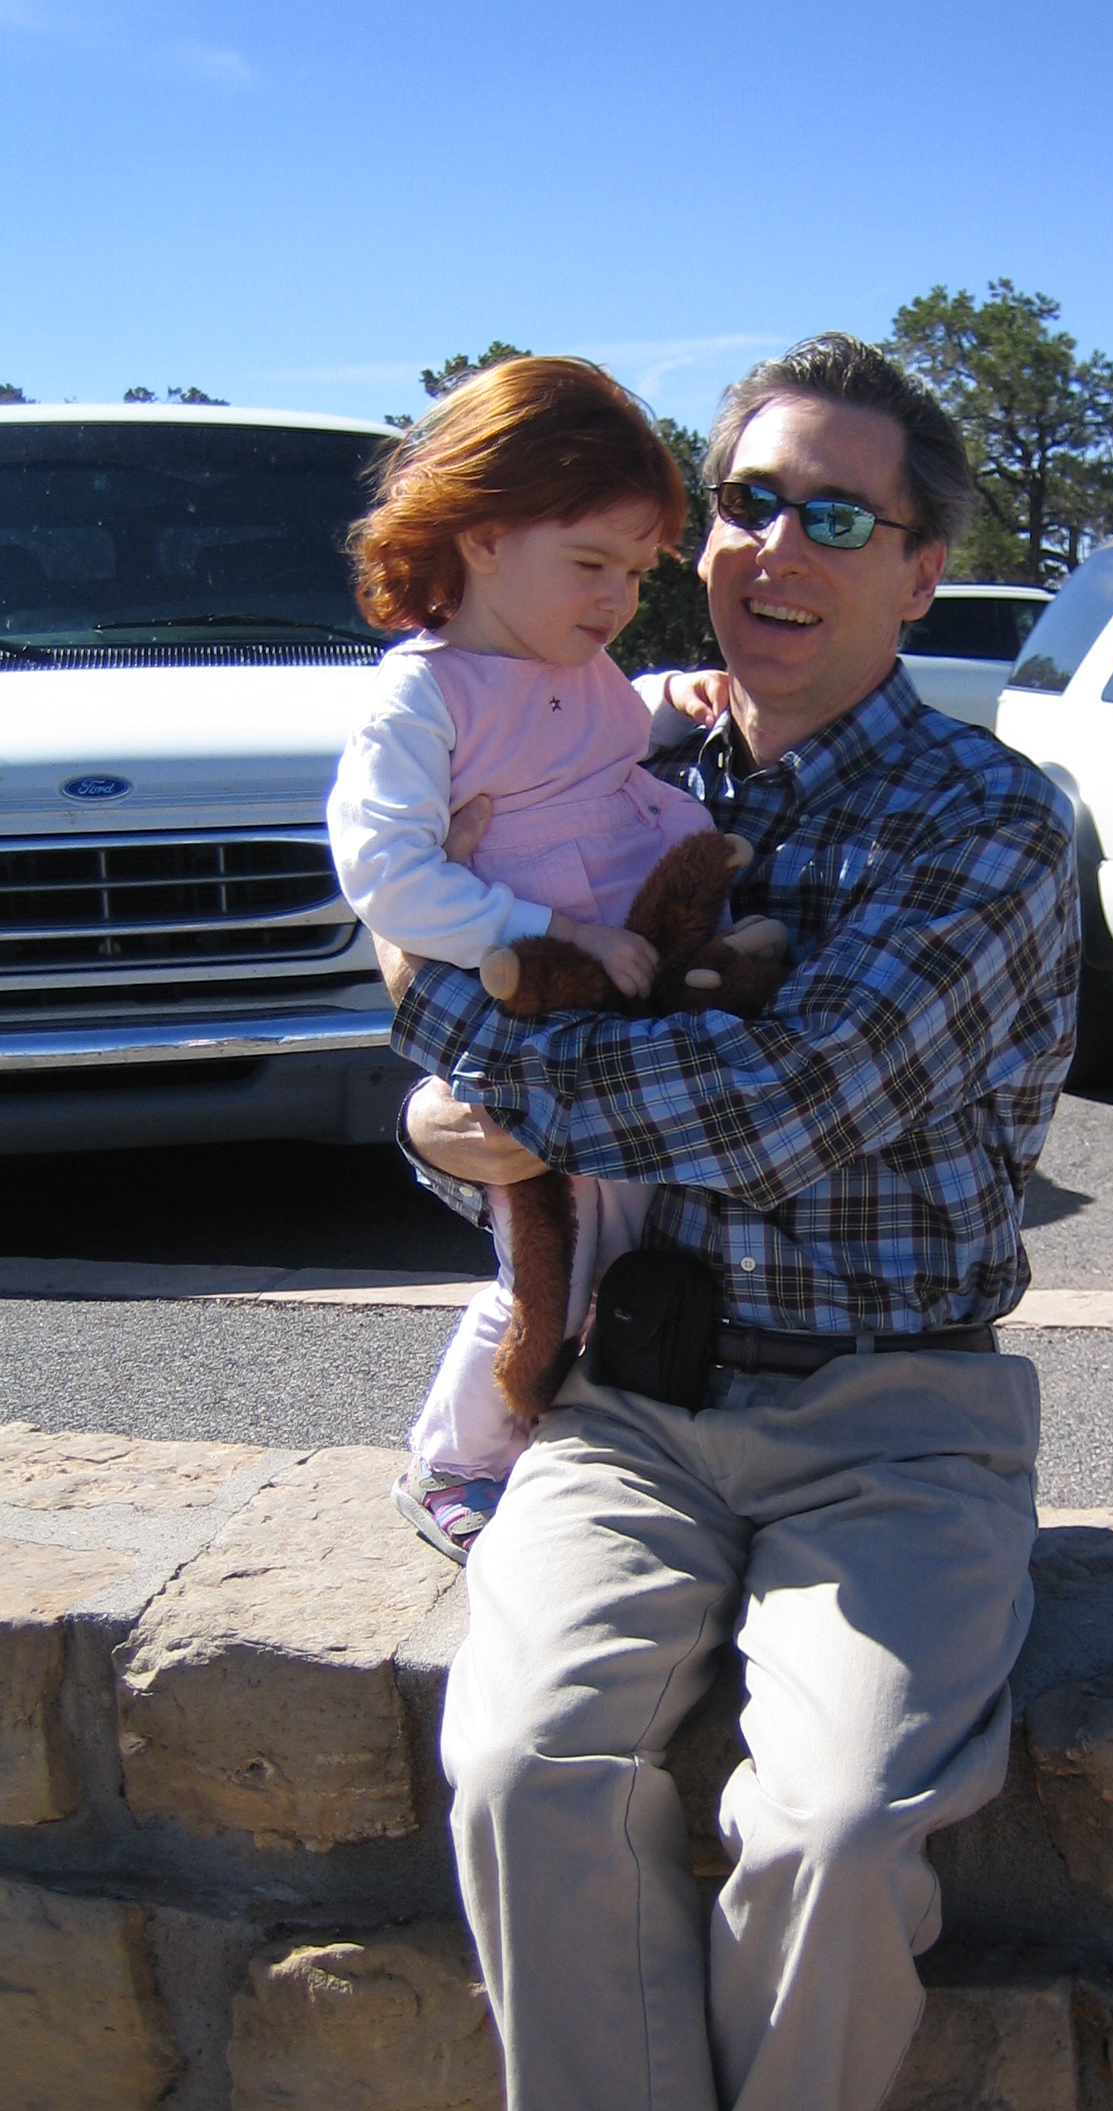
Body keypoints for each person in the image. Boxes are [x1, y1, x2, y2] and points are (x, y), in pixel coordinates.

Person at [374, 333, 1080, 2111]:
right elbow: (429, 978)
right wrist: (449, 1114)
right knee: (522, 1775)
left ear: (921, 570)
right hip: (630, 1410)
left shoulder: (985, 823)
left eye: (837, 515)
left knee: (833, 1835)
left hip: (897, 1422)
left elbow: (782, 1107)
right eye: (750, 501)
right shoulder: (609, 750)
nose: (778, 544)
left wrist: (479, 1065)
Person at [327, 357, 747, 1559]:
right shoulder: (422, 699)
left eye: (637, 572)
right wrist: (552, 933)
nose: (619, 598)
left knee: (630, 1256)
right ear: (483, 536)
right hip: (536, 1021)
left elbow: (595, 733)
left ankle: (571, 1453)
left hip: (622, 1011)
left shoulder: (572, 665)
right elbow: (387, 876)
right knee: (546, 1274)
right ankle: (454, 1459)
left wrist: (668, 696)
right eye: (592, 564)